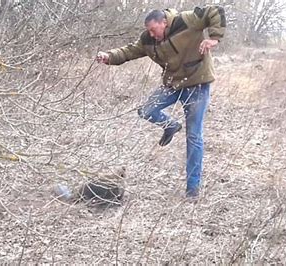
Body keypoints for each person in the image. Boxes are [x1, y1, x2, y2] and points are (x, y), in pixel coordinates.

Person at [96, 6, 226, 197]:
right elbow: (130, 50)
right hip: (173, 84)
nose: (150, 34)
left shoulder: (187, 20)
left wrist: (214, 37)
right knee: (147, 110)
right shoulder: (148, 39)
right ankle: (171, 126)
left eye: (153, 29)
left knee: (194, 136)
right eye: (148, 30)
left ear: (164, 22)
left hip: (197, 84)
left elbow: (215, 10)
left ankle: (192, 190)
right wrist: (109, 56)